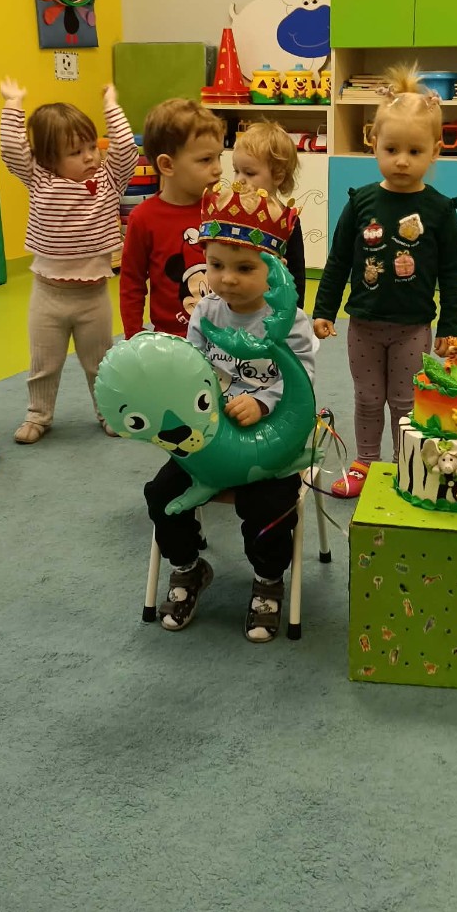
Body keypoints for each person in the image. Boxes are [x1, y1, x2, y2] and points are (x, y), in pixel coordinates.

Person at [143, 183, 316, 643]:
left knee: (268, 506)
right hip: (210, 441)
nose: (227, 279)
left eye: (244, 268)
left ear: (275, 270)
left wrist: (262, 402)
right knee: (161, 494)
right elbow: (192, 371)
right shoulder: (205, 312)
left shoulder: (292, 321)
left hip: (268, 442)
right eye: (216, 265)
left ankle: (268, 578)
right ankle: (188, 567)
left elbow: (301, 379)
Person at [312, 65, 457, 497]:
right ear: (373, 142)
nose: (401, 160)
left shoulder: (440, 210)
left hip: (412, 327)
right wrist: (324, 310)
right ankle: (365, 462)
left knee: (404, 401)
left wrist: (451, 329)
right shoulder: (361, 201)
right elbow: (338, 261)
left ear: (435, 151)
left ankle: (404, 464)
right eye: (391, 148)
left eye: (415, 151)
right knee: (366, 398)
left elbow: (453, 276)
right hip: (363, 324)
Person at [0, 78, 138, 444]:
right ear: (49, 159)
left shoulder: (109, 180)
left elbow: (125, 148)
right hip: (48, 296)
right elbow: (12, 150)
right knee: (44, 364)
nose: (90, 156)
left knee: (100, 363)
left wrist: (111, 104)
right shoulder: (39, 179)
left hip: (93, 297)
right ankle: (38, 415)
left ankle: (108, 412)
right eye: (76, 152)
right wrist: (14, 104)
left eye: (92, 147)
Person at [118, 98, 225, 339]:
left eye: (219, 156)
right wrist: (134, 336)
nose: (218, 168)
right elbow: (132, 283)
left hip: (226, 336)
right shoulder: (143, 218)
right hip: (172, 341)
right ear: (167, 165)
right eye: (206, 159)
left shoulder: (223, 208)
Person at [231, 120, 306, 305]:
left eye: (249, 173)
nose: (239, 180)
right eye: (236, 171)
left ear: (278, 176)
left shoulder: (286, 221)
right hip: (235, 300)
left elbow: (296, 272)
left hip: (271, 305)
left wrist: (294, 310)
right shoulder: (232, 213)